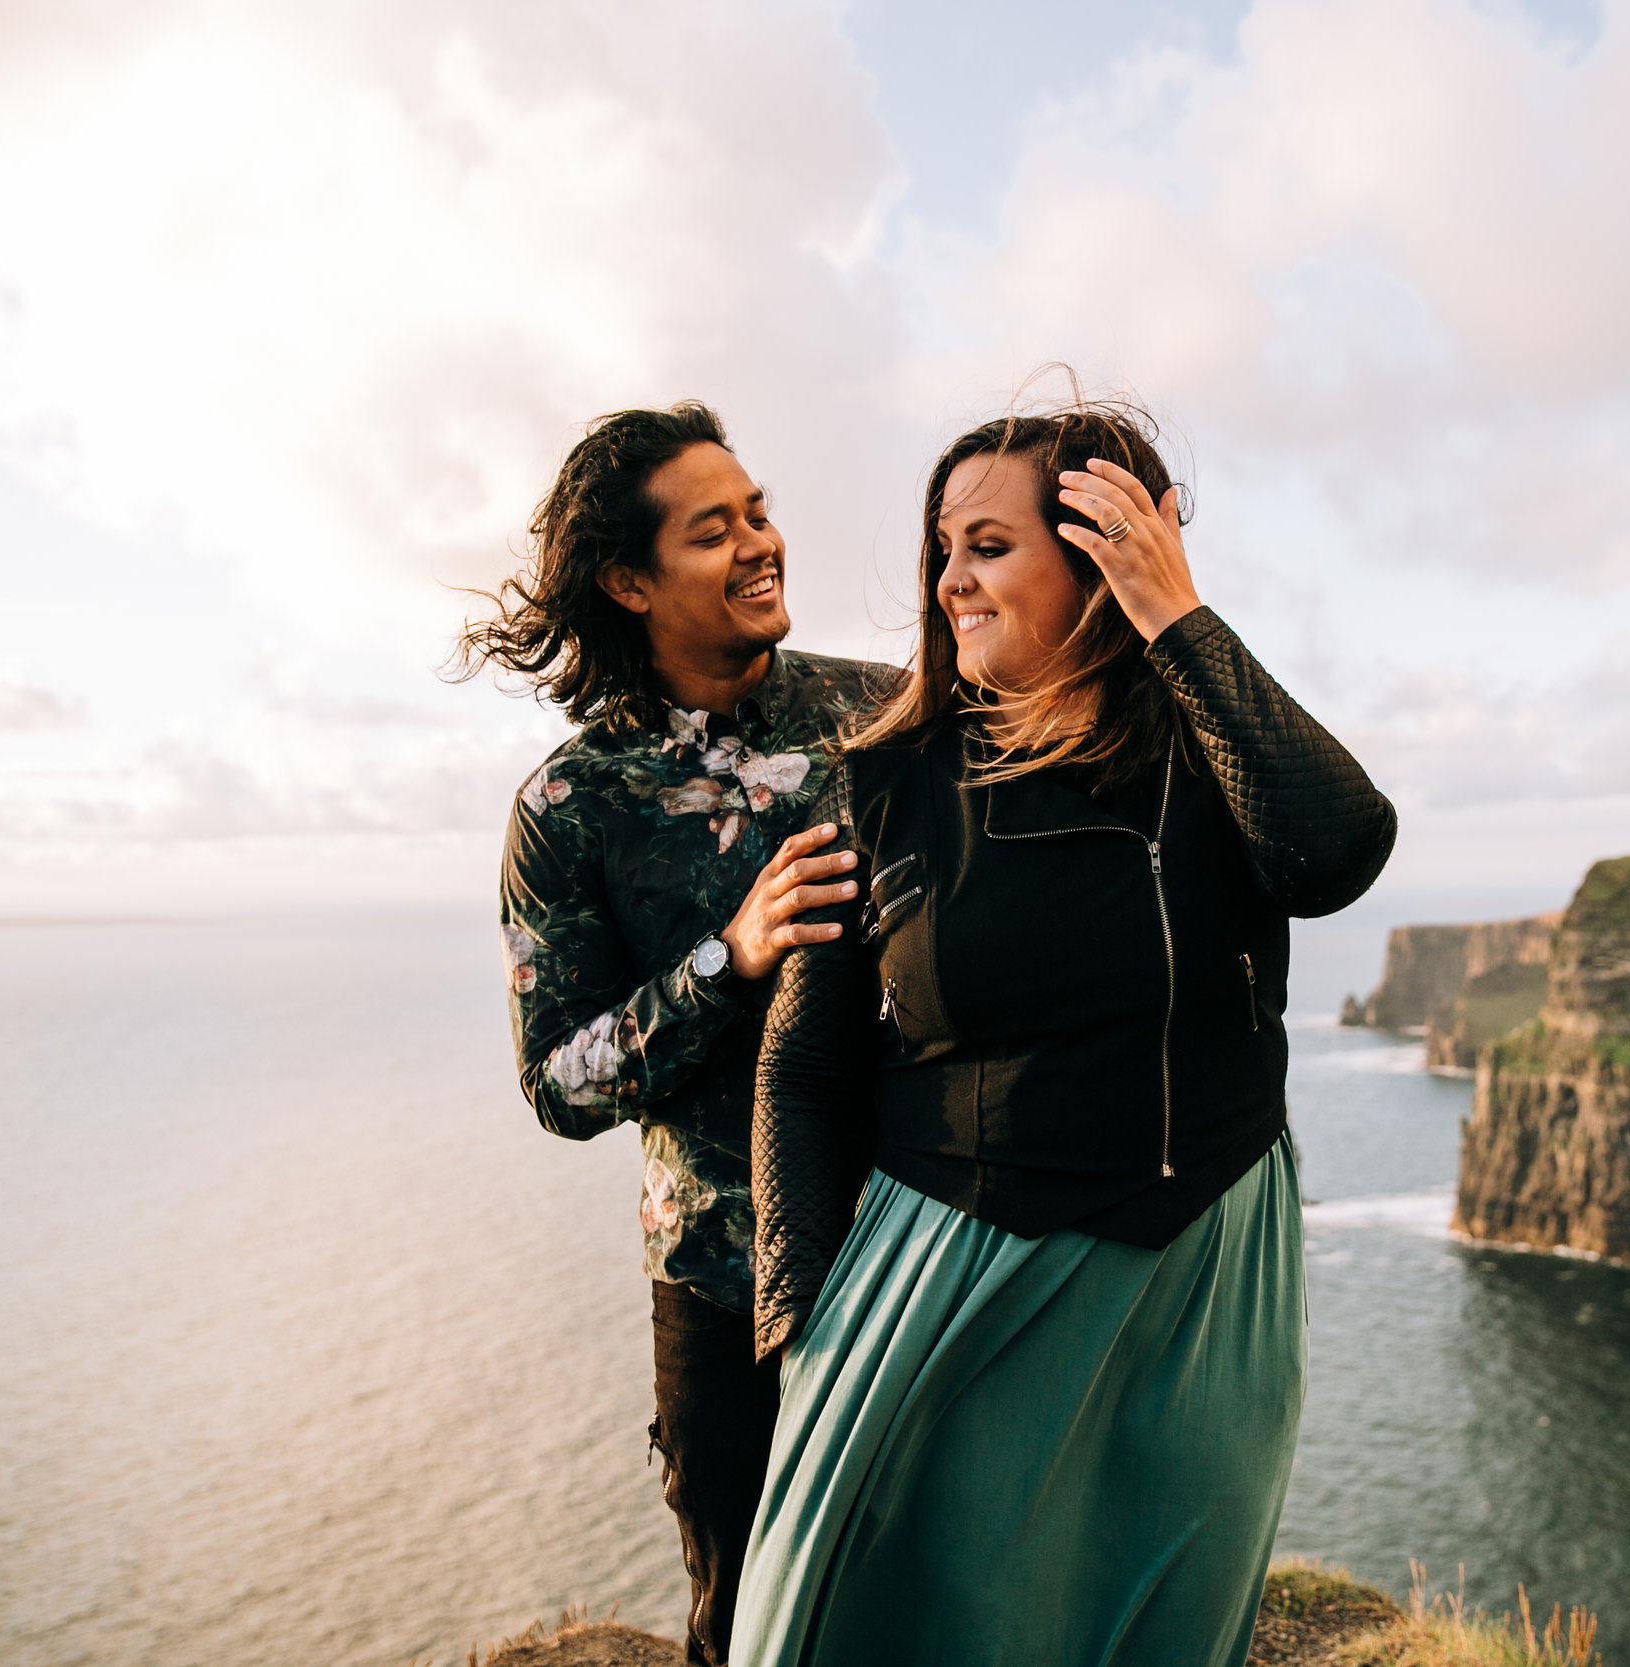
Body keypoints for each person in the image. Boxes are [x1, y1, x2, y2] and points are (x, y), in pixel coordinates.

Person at [731, 401, 1397, 1666]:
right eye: (946, 546)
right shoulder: (887, 782)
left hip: (1204, 1276)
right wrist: (801, 1321)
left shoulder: (1220, 747)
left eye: (989, 545)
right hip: (952, 1274)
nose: (950, 580)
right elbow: (804, 1060)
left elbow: (1339, 849)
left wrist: (1179, 621)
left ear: (1102, 556)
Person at [459, 404, 894, 1666]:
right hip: (718, 1275)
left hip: (924, 1231)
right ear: (630, 580)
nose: (761, 542)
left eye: (758, 511)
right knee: (749, 1619)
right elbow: (557, 1081)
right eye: (717, 529)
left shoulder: (888, 719)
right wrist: (729, 954)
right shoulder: (569, 804)